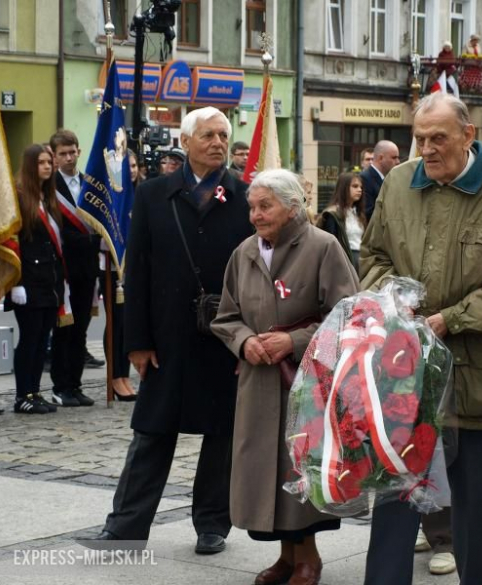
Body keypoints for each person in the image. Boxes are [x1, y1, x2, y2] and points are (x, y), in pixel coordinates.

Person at [361, 92, 482, 585]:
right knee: (395, 489)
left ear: (469, 135)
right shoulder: (398, 184)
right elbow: (373, 257)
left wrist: (452, 319)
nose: (426, 148)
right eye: (419, 138)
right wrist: (394, 302)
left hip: (477, 371)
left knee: (474, 496)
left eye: (438, 138)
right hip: (404, 369)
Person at [83, 107, 253, 554]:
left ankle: (213, 524)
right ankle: (125, 526)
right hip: (166, 339)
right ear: (186, 140)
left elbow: (256, 278)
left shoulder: (244, 196)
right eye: (209, 135)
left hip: (225, 338)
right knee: (152, 433)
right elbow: (134, 273)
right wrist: (134, 343)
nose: (218, 142)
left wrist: (248, 344)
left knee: (221, 436)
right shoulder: (155, 194)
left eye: (223, 135)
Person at [212, 169, 358, 585]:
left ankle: (308, 557)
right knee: (269, 472)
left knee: (302, 470)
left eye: (265, 206)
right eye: (252, 207)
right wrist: (244, 342)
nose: (255, 215)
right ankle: (287, 557)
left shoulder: (323, 247)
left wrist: (292, 341)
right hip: (258, 384)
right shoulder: (244, 253)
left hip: (310, 383)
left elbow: (349, 315)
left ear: (292, 207)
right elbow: (227, 317)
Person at [6, 144, 67, 414]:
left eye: (49, 162)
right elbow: (14, 240)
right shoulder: (20, 196)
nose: (47, 166)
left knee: (43, 339)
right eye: (42, 162)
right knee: (29, 339)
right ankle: (22, 395)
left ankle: (35, 391)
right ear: (32, 165)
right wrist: (16, 282)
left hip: (49, 280)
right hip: (28, 281)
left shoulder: (48, 197)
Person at [49, 129, 98, 408]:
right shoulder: (49, 186)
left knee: (80, 328)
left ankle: (76, 385)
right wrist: (90, 240)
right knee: (63, 329)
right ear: (54, 157)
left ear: (79, 151)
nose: (69, 157)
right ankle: (60, 385)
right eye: (63, 154)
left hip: (88, 267)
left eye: (72, 151)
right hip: (63, 267)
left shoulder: (89, 183)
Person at [100, 149, 140, 401]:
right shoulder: (113, 197)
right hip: (115, 269)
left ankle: (124, 375)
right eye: (128, 166)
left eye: (135, 165)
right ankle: (114, 376)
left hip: (137, 267)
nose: (132, 170)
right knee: (117, 322)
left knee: (130, 324)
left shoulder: (142, 194)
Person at [316, 172, 366, 271]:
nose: (359, 190)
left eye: (361, 187)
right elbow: (331, 244)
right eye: (355, 186)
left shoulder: (358, 214)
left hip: (359, 260)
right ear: (344, 188)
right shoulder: (333, 214)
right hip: (342, 261)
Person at [361, 140, 400, 221]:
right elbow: (368, 212)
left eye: (397, 158)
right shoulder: (365, 178)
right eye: (394, 157)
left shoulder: (386, 178)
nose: (398, 162)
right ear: (380, 158)